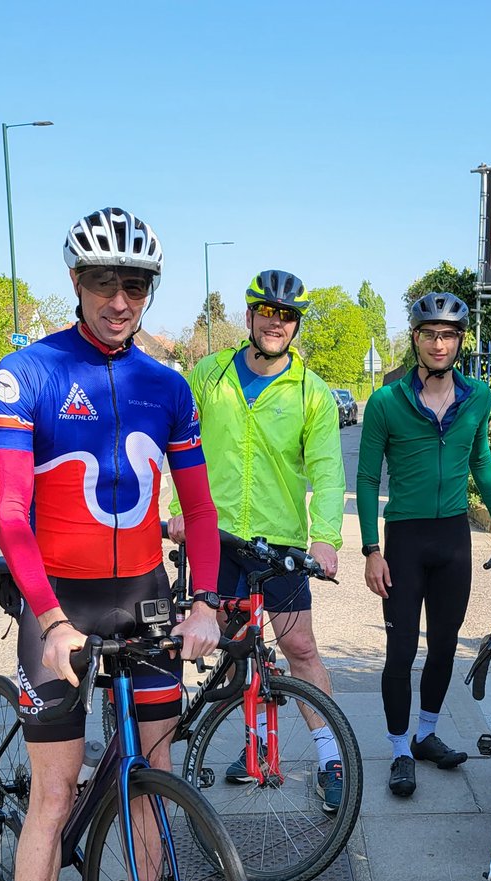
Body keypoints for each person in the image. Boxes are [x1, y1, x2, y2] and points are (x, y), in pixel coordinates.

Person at [0, 207, 223, 881]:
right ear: (76, 284)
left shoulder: (169, 385)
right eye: (101, 282)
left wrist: (204, 601)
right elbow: (12, 516)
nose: (119, 299)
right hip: (59, 606)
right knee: (52, 797)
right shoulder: (29, 375)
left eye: (134, 284)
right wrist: (46, 617)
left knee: (151, 771)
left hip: (144, 598)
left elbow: (197, 507)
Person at [166, 269, 347, 813]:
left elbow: (328, 469)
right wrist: (176, 511)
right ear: (249, 317)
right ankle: (197, 748)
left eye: (287, 315)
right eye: (267, 312)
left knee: (300, 648)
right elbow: (177, 444)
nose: (276, 322)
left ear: (295, 326)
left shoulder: (311, 392)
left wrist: (328, 539)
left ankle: (329, 756)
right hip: (214, 539)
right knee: (210, 641)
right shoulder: (208, 375)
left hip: (281, 545)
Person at [357, 292, 491, 798]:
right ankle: (399, 749)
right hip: (404, 540)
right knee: (401, 648)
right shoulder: (386, 402)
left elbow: (481, 461)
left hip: (453, 537)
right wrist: (370, 549)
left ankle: (426, 734)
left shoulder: (477, 397)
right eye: (429, 333)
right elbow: (366, 479)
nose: (438, 343)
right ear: (415, 338)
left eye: (448, 334)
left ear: (459, 341)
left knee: (445, 645)